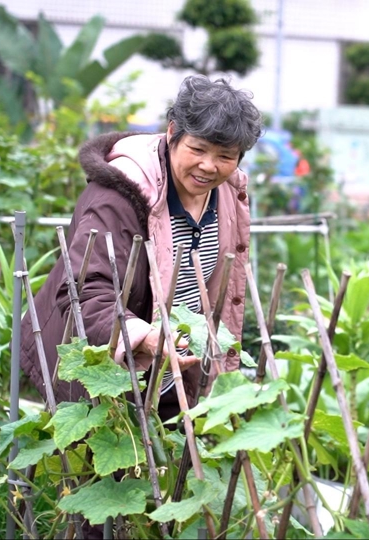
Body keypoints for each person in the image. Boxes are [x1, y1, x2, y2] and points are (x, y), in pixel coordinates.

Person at [21, 75, 262, 420]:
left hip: (175, 369)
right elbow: (86, 290)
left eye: (225, 155)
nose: (209, 166)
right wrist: (145, 337)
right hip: (105, 365)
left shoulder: (227, 192)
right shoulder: (119, 194)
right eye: (197, 149)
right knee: (99, 464)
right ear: (172, 132)